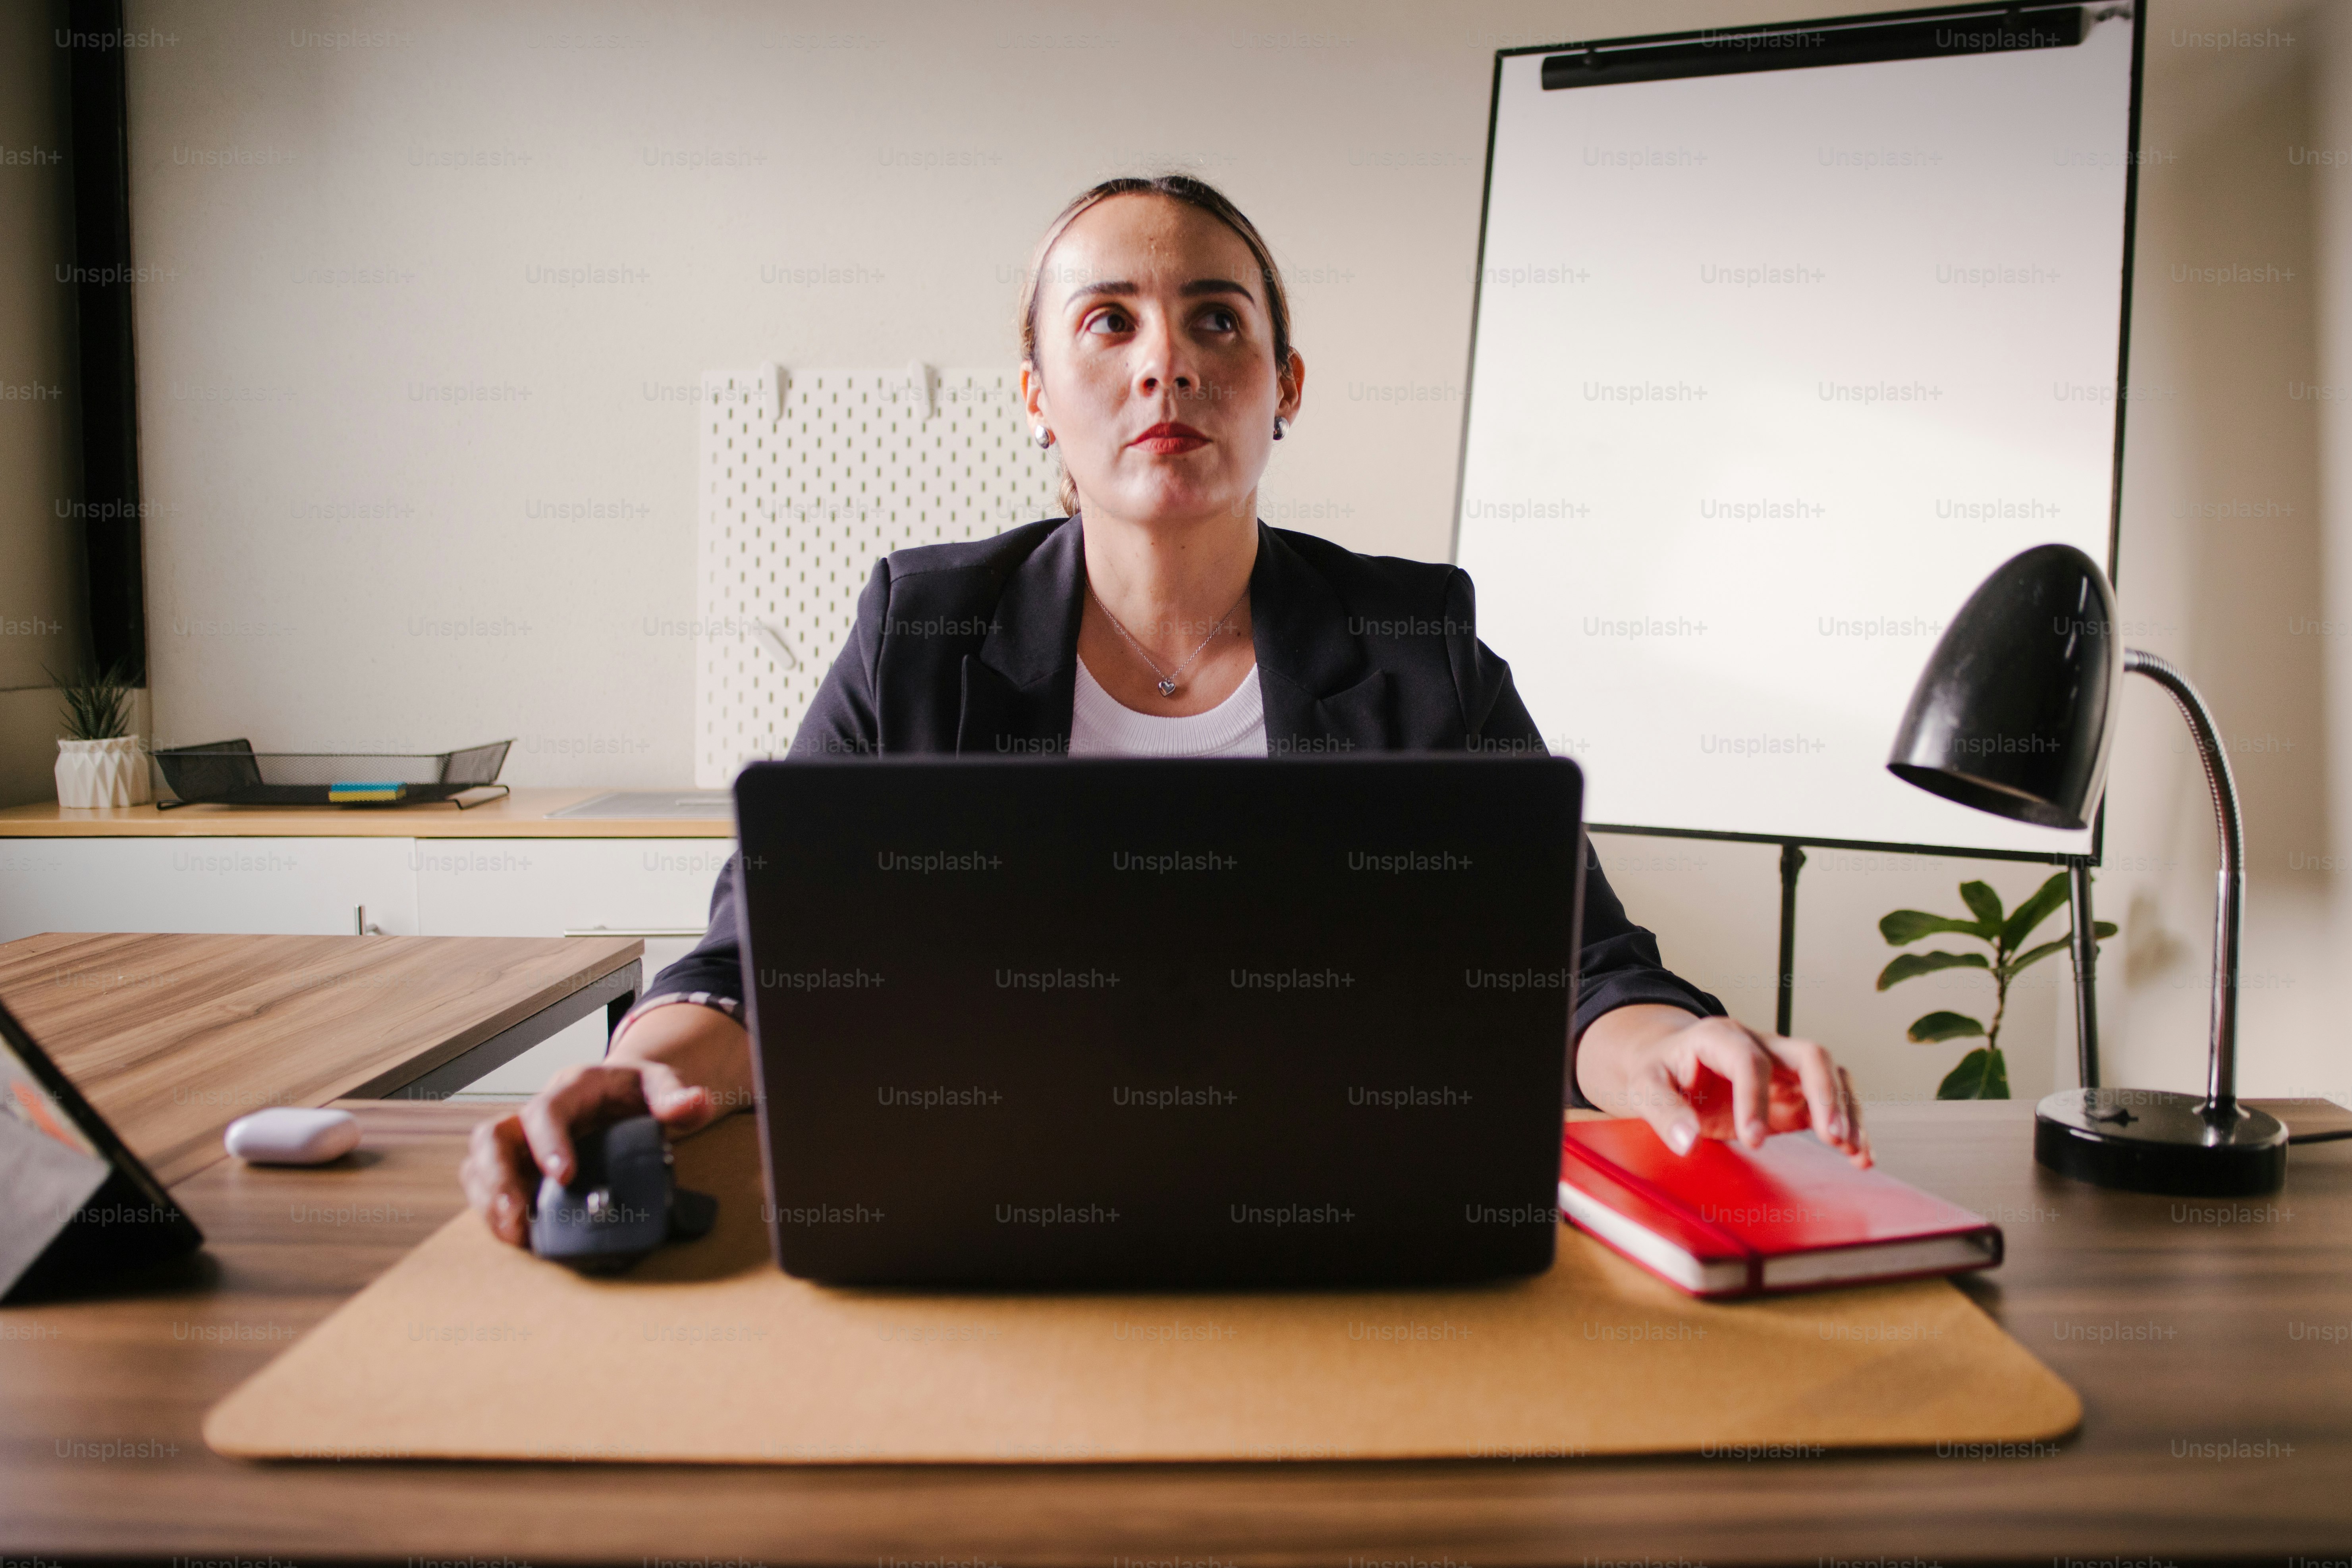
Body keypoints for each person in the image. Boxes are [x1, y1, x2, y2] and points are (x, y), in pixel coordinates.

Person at [462, 175, 1870, 1244]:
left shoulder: (1415, 639)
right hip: (984, 1210)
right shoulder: (921, 630)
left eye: (1215, 318)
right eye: (1107, 322)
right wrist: (641, 1074)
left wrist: (1668, 1055)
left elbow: (1580, 975)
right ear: (1036, 399)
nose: (1165, 362)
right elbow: (751, 968)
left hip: (1335, 1213)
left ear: (1282, 387)